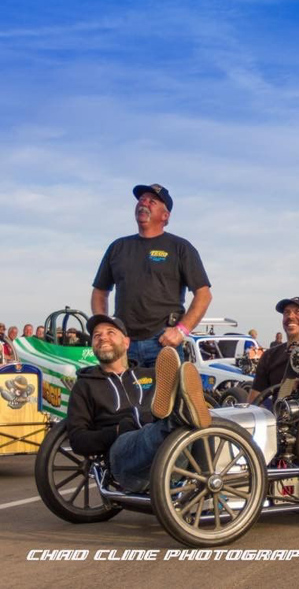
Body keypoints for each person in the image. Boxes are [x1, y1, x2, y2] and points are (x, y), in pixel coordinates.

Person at [66, 315, 210, 492]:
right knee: (162, 428)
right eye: (97, 335)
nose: (102, 338)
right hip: (125, 460)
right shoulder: (85, 385)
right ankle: (179, 416)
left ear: (126, 343)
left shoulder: (151, 374)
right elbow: (77, 439)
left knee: (201, 425)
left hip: (172, 454)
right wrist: (115, 431)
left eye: (110, 333)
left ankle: (207, 481)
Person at [91, 184, 212, 367]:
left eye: (152, 201)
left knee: (167, 388)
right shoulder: (118, 247)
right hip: (125, 343)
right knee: (121, 387)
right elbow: (100, 292)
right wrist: (106, 329)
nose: (143, 203)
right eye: (141, 200)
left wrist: (181, 330)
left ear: (165, 216)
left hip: (163, 343)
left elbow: (204, 295)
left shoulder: (180, 248)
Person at [246, 297, 299, 404]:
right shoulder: (269, 356)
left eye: (298, 312)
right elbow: (254, 401)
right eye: (286, 313)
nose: (290, 316)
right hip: (281, 413)